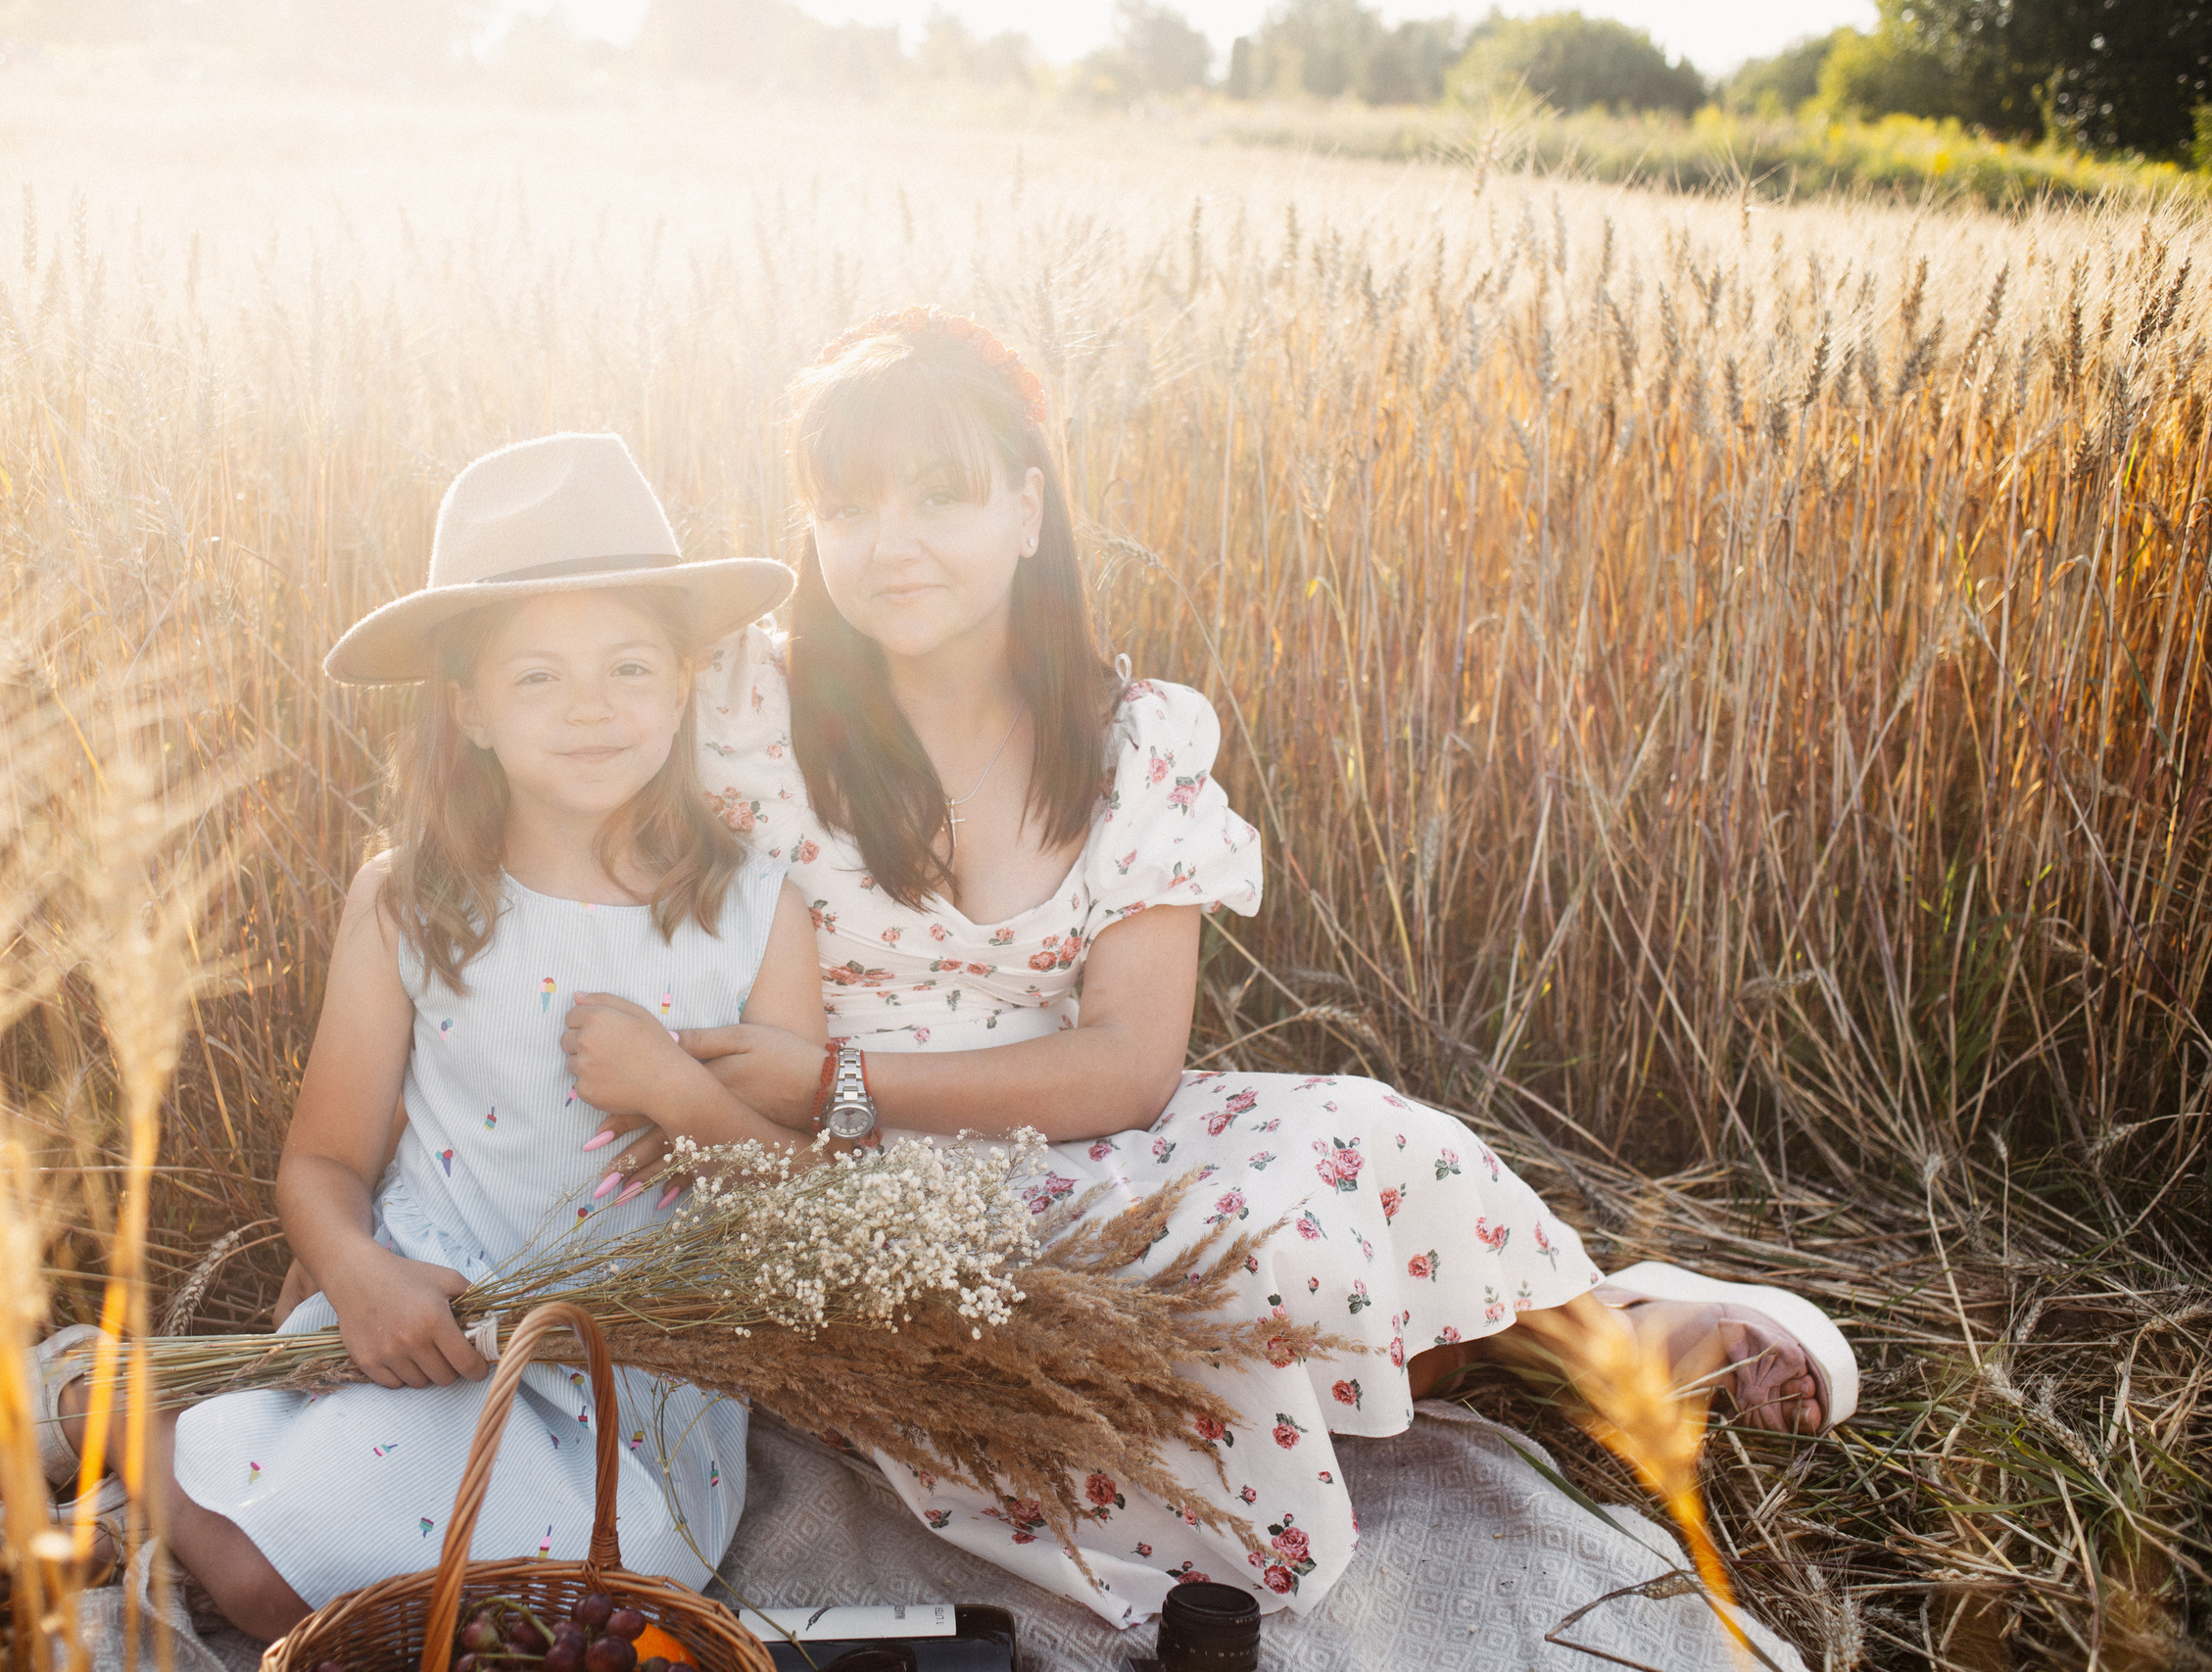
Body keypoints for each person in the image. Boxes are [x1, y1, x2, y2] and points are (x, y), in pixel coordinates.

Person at [608, 308, 1860, 1627]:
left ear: (1029, 507)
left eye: (939, 493)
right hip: (858, 1178)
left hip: (1067, 1114)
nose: (890, 541)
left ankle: (1594, 1328)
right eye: (846, 504)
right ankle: (1468, 1370)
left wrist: (842, 1074)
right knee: (1181, 1303)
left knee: (1364, 1137)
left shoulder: (1130, 741)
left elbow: (1131, 1062)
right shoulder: (750, 708)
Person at [0, 434, 822, 1637]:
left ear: (686, 681)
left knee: (597, 1600)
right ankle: (124, 1412)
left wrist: (681, 1096)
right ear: (469, 710)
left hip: (643, 1380)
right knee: (305, 1594)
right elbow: (322, 1162)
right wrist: (357, 1274)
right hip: (431, 1327)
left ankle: (141, 1519)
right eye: (538, 678)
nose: (592, 709)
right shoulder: (413, 901)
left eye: (630, 666)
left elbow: (808, 1201)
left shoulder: (758, 910)